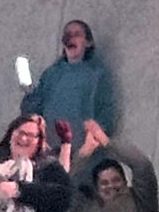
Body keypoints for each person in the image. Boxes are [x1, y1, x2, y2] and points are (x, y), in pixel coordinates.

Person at [21, 20, 115, 152]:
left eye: (76, 34)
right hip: (48, 150)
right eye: (67, 34)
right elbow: (32, 110)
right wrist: (28, 95)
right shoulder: (51, 73)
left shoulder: (97, 75)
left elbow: (106, 112)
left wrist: (96, 138)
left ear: (88, 43)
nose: (70, 38)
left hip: (82, 153)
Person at [68, 120, 159, 212]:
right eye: (104, 183)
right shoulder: (85, 206)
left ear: (125, 181)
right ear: (96, 187)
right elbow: (62, 187)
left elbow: (142, 165)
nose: (111, 186)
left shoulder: (139, 199)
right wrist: (84, 153)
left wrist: (105, 141)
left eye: (116, 180)